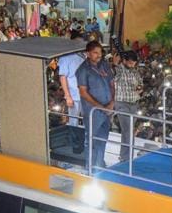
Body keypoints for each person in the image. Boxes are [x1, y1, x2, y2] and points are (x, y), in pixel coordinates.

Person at [77, 41, 115, 170]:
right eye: (95, 52)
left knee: (103, 138)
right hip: (93, 111)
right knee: (91, 139)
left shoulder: (104, 65)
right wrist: (100, 106)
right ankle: (90, 167)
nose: (99, 55)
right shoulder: (83, 69)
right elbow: (83, 92)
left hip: (108, 109)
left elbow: (112, 84)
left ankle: (100, 163)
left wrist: (112, 103)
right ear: (88, 53)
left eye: (100, 52)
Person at [113, 51, 142, 162]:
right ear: (124, 60)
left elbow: (140, 84)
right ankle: (126, 157)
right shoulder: (119, 69)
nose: (131, 64)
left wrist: (140, 88)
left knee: (129, 130)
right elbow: (114, 75)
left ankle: (126, 156)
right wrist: (115, 64)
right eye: (129, 62)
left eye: (133, 62)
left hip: (134, 103)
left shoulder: (135, 72)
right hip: (122, 103)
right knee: (127, 130)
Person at [58, 43, 86, 154]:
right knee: (73, 120)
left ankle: (85, 144)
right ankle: (75, 146)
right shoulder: (65, 57)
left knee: (87, 120)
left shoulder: (84, 56)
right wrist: (68, 96)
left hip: (85, 94)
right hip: (74, 95)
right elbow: (63, 77)